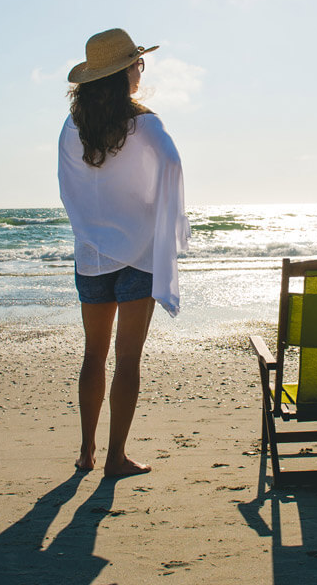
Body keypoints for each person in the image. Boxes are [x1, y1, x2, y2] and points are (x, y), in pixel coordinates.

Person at [58, 28, 189, 477]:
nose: (140, 69)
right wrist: (157, 210)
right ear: (122, 74)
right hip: (138, 253)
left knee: (94, 354)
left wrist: (91, 228)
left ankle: (86, 452)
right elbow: (172, 166)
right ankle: (116, 457)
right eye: (137, 63)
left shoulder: (72, 126)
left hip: (92, 253)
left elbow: (69, 187)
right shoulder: (146, 123)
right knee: (128, 358)